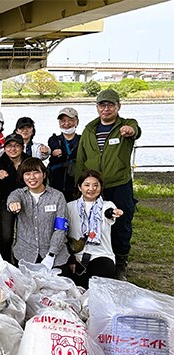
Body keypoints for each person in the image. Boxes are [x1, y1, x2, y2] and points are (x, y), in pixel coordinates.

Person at [75, 88, 141, 280]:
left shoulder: (126, 125)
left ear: (118, 106)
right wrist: (80, 186)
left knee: (121, 223)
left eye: (110, 104)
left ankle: (121, 262)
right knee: (95, 223)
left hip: (119, 184)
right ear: (97, 107)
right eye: (102, 105)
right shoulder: (89, 129)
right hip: (94, 188)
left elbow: (135, 131)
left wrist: (130, 131)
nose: (106, 108)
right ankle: (98, 259)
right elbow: (81, 160)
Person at [7, 158, 69, 269]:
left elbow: (61, 228)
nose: (32, 177)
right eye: (27, 174)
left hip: (54, 257)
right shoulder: (20, 194)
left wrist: (51, 254)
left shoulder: (57, 196)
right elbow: (13, 198)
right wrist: (13, 204)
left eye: (36, 172)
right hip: (25, 255)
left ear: (44, 175)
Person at [66, 170, 123, 288]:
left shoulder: (108, 205)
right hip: (77, 255)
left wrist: (113, 213)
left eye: (95, 185)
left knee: (100, 284)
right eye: (87, 185)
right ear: (79, 187)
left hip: (101, 254)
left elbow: (108, 213)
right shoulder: (69, 207)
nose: (91, 189)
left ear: (101, 187)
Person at [0, 133, 29, 263]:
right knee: (5, 235)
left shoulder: (29, 162)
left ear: (22, 147)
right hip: (5, 201)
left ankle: (25, 263)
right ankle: (4, 262)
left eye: (16, 146)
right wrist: (0, 172)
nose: (12, 149)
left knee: (27, 234)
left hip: (27, 200)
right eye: (9, 146)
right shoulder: (0, 162)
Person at [48, 107, 81, 202]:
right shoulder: (54, 139)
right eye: (63, 120)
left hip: (76, 187)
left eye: (70, 120)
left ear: (76, 122)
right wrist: (54, 152)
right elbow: (53, 148)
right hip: (56, 186)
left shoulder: (82, 140)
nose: (66, 123)